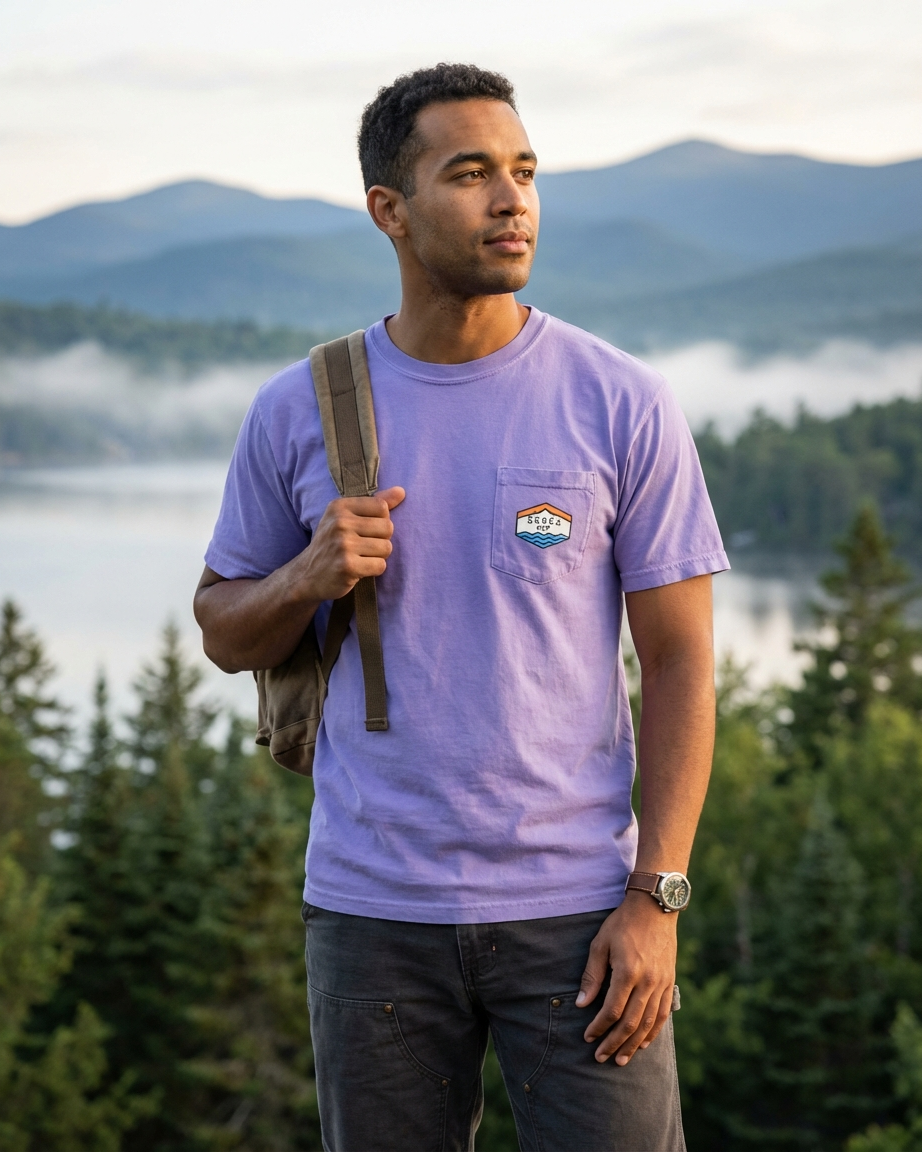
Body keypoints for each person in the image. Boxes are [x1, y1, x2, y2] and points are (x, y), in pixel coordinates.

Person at [194, 62, 728, 1152]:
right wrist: (306, 575)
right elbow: (219, 627)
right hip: (372, 914)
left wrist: (655, 899)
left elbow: (679, 665)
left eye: (524, 171)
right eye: (471, 172)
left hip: (580, 914)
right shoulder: (298, 409)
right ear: (389, 210)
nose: (511, 199)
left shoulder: (619, 400)